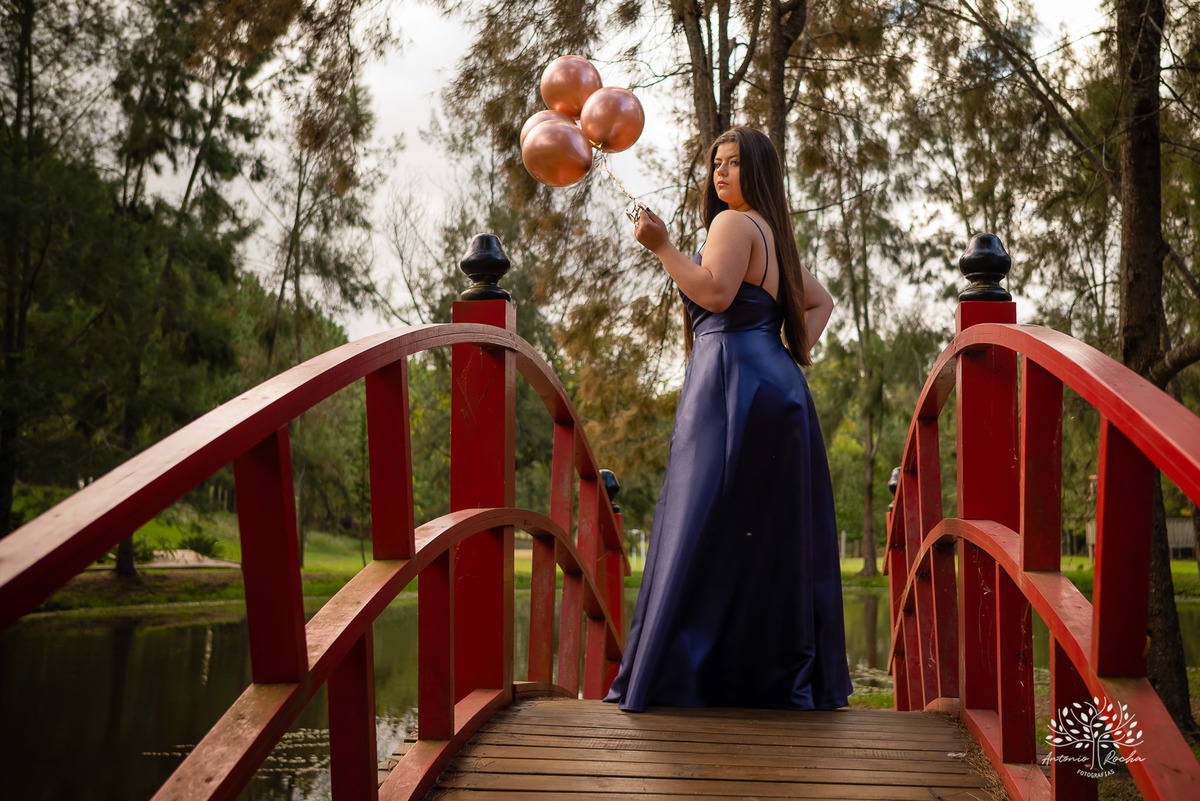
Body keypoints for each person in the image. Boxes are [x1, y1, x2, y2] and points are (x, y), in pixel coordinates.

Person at [603, 126, 853, 712]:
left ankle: (689, 678)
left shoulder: (733, 224)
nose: (720, 173)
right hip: (775, 387)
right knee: (763, 534)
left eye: (734, 163)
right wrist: (787, 361)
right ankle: (761, 678)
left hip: (728, 384)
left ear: (758, 171)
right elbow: (820, 303)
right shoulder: (773, 233)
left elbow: (713, 296)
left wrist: (662, 246)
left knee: (700, 518)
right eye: (716, 163)